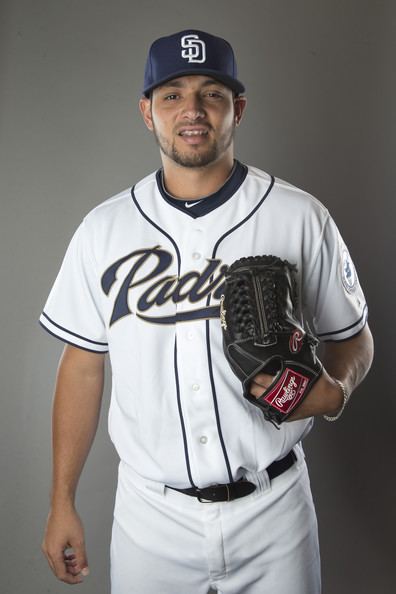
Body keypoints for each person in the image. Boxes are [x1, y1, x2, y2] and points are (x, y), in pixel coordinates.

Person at [40, 30, 374, 594]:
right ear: (147, 112)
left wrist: (335, 390)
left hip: (275, 511)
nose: (191, 110)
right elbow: (83, 363)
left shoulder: (298, 216)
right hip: (151, 517)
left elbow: (354, 338)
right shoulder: (104, 229)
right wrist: (61, 501)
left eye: (211, 93)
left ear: (236, 109)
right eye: (171, 94)